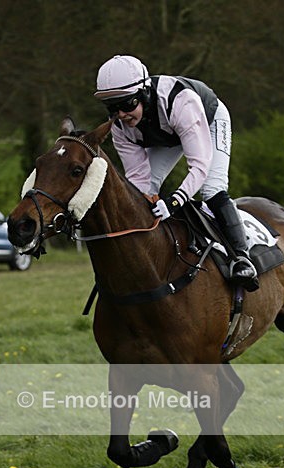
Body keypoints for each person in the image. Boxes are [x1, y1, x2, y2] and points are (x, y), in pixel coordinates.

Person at [94, 54, 259, 292]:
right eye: (113, 108)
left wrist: (174, 201)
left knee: (212, 188)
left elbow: (200, 165)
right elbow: (138, 179)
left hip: (207, 119)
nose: (121, 114)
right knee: (143, 190)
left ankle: (242, 257)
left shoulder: (182, 102)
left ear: (145, 93)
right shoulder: (119, 126)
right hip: (168, 132)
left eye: (128, 104)